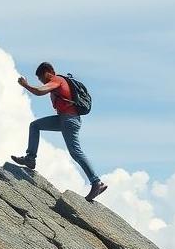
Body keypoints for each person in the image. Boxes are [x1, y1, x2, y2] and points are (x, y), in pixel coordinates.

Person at [11, 61, 108, 202]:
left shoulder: (56, 80)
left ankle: (96, 182)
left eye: (41, 78)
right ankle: (30, 159)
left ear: (47, 73)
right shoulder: (58, 81)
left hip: (69, 120)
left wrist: (26, 85)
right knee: (35, 125)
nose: (41, 81)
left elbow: (39, 91)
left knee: (76, 152)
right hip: (64, 119)